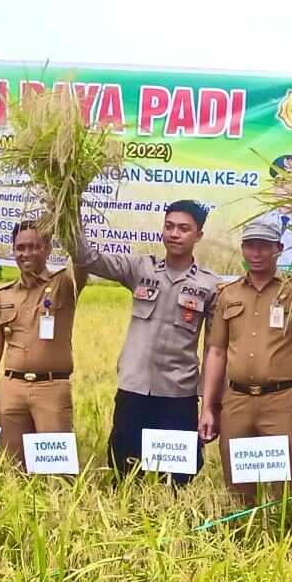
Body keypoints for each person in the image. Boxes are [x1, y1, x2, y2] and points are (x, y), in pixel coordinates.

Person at [199, 213, 292, 503]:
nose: (256, 253)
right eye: (250, 245)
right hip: (237, 402)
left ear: (278, 248)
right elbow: (216, 352)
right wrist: (208, 407)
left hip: (282, 401)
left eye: (264, 246)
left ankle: (286, 538)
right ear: (242, 248)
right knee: (239, 487)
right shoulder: (229, 294)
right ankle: (241, 540)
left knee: (285, 488)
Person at [73, 200, 221, 485]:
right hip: (134, 387)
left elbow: (214, 348)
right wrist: (71, 207)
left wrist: (210, 405)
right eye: (169, 226)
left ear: (198, 236)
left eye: (183, 228)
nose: (174, 234)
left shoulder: (210, 285)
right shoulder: (141, 268)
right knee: (124, 467)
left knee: (178, 476)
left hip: (178, 394)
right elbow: (85, 256)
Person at [0, 221, 87, 466]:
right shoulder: (3, 295)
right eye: (21, 247)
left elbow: (82, 261)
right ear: (13, 250)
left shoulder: (64, 284)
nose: (27, 254)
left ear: (47, 249)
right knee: (13, 466)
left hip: (51, 388)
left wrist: (70, 213)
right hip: (11, 389)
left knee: (55, 469)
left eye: (35, 246)